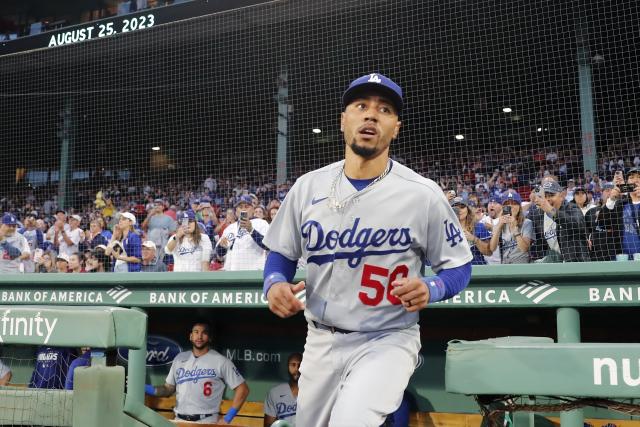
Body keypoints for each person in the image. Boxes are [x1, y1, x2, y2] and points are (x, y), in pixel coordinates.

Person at [261, 73, 473, 426]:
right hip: (321, 339)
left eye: (384, 109)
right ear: (344, 120)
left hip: (387, 338)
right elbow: (281, 253)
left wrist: (432, 288)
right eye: (361, 106)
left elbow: (459, 267)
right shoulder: (308, 186)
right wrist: (274, 282)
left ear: (396, 128)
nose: (371, 115)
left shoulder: (421, 194)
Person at [145, 321, 250, 424]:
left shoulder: (220, 361)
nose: (199, 336)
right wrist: (143, 387)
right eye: (196, 332)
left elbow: (243, 389)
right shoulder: (180, 358)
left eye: (204, 333)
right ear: (191, 336)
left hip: (206, 421)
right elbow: (168, 389)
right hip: (180, 420)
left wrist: (227, 418)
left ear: (210, 338)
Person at [529, 180, 590, 262]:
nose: (547, 199)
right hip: (555, 265)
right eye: (545, 196)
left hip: (575, 263)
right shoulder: (538, 216)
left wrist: (552, 211)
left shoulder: (572, 208)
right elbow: (540, 245)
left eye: (551, 195)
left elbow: (578, 225)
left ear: (561, 196)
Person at [216, 195, 270, 271]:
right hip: (232, 273)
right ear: (236, 211)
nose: (244, 209)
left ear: (253, 209)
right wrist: (222, 246)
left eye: (247, 206)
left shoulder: (261, 223)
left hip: (254, 272)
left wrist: (251, 230)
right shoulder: (229, 228)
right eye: (240, 207)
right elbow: (220, 254)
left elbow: (267, 245)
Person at [488, 191, 534, 264]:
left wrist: (515, 229)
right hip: (505, 266)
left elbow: (524, 248)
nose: (511, 206)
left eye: (514, 203)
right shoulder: (500, 223)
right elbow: (492, 248)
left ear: (519, 207)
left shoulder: (527, 222)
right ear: (503, 207)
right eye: (507, 204)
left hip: (522, 265)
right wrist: (499, 226)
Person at [585, 182, 624, 261]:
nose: (610, 193)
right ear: (601, 193)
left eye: (612, 191)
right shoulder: (591, 211)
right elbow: (586, 230)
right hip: (596, 252)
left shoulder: (621, 209)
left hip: (616, 251)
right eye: (607, 190)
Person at [264, 352, 302, 426]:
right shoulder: (275, 392)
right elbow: (268, 425)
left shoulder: (312, 392)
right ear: (287, 367)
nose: (296, 369)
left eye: (300, 365)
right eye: (293, 365)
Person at [451, 197, 491, 265]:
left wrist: (474, 239)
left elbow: (488, 252)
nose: (459, 210)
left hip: (477, 268)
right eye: (456, 208)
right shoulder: (446, 229)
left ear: (468, 209)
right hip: (455, 270)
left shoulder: (479, 226)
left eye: (462, 207)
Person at [619, 167, 640, 258]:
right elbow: (603, 223)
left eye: (639, 177)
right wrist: (611, 199)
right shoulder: (620, 204)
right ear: (626, 183)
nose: (635, 180)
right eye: (631, 177)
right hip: (624, 256)